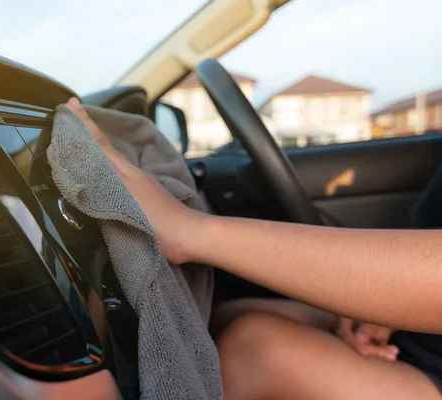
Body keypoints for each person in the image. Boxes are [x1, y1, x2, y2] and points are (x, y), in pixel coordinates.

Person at [66, 98, 442, 399]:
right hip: (421, 334)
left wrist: (188, 229)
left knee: (255, 351)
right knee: (223, 317)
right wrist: (381, 311)